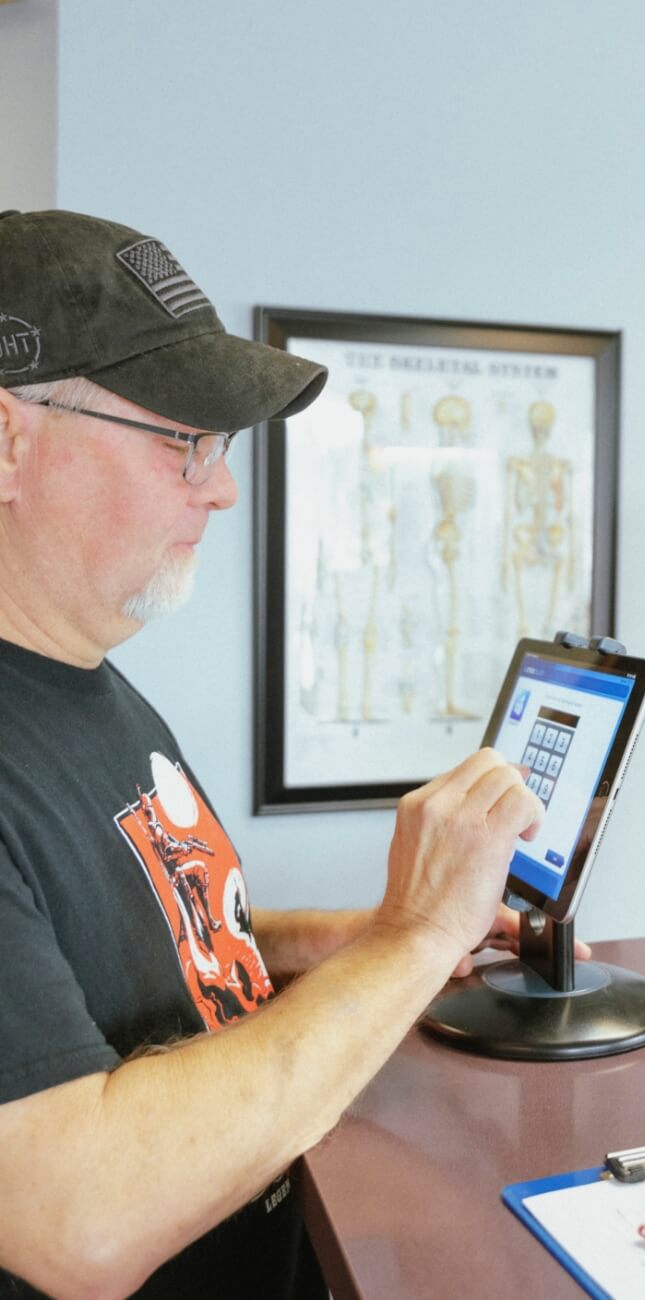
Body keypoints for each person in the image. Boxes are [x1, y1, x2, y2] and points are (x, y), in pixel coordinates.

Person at [0, 208, 553, 1298]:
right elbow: (80, 1220)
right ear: (10, 440)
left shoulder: (85, 684)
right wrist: (412, 933)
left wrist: (324, 945)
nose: (222, 487)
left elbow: (132, 950)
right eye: (182, 438)